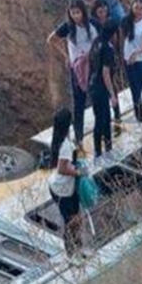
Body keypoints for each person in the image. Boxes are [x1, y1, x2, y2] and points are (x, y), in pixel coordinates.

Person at [48, 0, 98, 146]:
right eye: (73, 13)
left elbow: (100, 38)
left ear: (83, 11)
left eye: (78, 12)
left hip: (93, 64)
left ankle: (100, 129)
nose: (76, 16)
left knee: (97, 98)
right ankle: (79, 137)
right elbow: (52, 39)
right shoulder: (68, 27)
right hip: (77, 68)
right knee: (78, 103)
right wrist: (67, 56)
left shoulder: (92, 24)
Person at [48, 108, 86, 256]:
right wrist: (78, 172)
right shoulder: (64, 145)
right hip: (62, 189)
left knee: (76, 218)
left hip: (64, 186)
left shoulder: (59, 139)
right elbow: (62, 168)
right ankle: (72, 252)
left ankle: (78, 248)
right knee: (71, 221)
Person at [88, 21, 119, 159]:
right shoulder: (108, 48)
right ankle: (103, 150)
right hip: (101, 86)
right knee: (103, 119)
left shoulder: (96, 42)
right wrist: (112, 94)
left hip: (93, 84)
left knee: (100, 118)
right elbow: (106, 73)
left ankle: (100, 149)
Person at [91, 0, 124, 126]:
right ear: (95, 11)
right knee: (104, 86)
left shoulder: (112, 22)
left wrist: (119, 57)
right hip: (98, 60)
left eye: (104, 9)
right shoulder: (93, 23)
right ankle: (103, 117)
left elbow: (117, 40)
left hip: (109, 57)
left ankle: (116, 113)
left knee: (111, 84)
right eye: (100, 10)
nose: (103, 12)